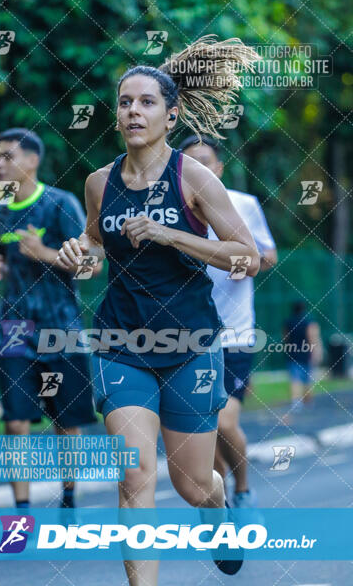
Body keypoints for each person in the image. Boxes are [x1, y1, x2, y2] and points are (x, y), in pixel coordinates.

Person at [57, 35, 260, 584]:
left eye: (146, 102)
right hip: (122, 344)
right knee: (134, 478)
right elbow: (99, 244)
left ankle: (219, 509)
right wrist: (83, 253)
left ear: (170, 116)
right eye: (125, 102)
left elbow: (248, 257)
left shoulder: (194, 178)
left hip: (189, 344)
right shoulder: (99, 182)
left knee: (193, 483)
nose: (132, 111)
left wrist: (174, 235)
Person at [0, 128, 97, 510]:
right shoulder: (0, 209)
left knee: (65, 420)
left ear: (32, 160)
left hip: (61, 326)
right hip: (14, 328)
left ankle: (68, 499)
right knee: (15, 422)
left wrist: (45, 253)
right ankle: (22, 512)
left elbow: (92, 267)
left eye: (7, 156)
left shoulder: (61, 204)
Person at [179, 134, 277, 511]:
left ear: (219, 168)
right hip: (188, 337)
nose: (199, 169)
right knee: (201, 433)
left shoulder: (242, 205)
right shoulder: (174, 210)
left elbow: (266, 256)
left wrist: (242, 264)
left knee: (222, 422)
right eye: (191, 163)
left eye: (206, 161)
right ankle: (222, 497)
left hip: (234, 335)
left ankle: (244, 490)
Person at [283, 300, 323, 415]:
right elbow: (313, 338)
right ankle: (308, 402)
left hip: (292, 352)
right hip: (306, 353)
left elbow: (286, 337)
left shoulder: (288, 321)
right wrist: (316, 352)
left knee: (295, 379)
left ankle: (296, 402)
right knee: (307, 379)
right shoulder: (309, 322)